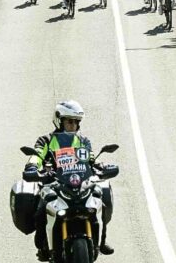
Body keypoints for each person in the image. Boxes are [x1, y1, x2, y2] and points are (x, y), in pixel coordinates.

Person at [23, 100, 114, 261]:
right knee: (41, 208)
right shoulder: (46, 140)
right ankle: (43, 246)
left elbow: (90, 160)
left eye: (76, 122)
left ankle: (102, 242)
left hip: (80, 183)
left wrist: (101, 166)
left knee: (101, 198)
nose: (73, 125)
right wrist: (32, 167)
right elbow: (36, 156)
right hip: (53, 184)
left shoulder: (83, 141)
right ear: (59, 120)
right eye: (69, 121)